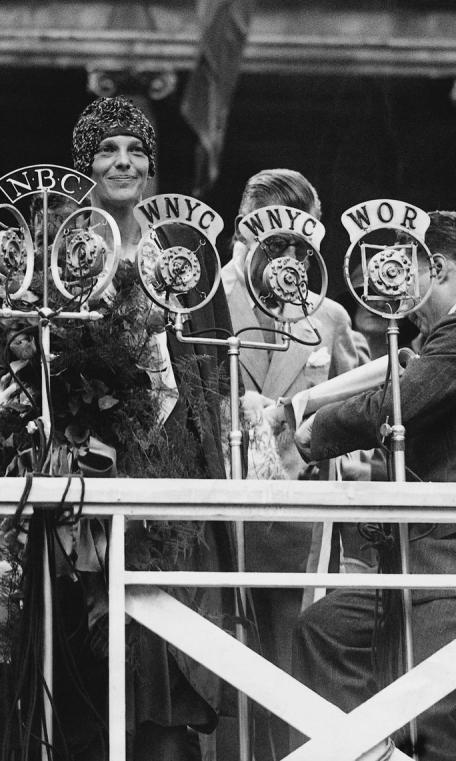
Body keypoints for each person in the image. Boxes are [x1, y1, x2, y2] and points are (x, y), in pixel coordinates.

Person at [70, 96, 235, 761]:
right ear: (86, 164)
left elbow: (214, 359)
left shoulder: (184, 250)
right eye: (108, 150)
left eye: (136, 150)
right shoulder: (68, 250)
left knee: (171, 646)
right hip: (96, 456)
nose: (124, 161)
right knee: (96, 649)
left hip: (176, 459)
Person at [291, 210, 456, 761]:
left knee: (433, 719)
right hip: (415, 558)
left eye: (408, 274)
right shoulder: (435, 340)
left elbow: (397, 404)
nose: (401, 292)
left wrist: (316, 430)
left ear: (440, 268)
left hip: (443, 564)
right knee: (326, 630)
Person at [220, 168, 365, 758]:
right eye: (271, 237)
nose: (287, 253)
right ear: (244, 231)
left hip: (300, 522)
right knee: (220, 667)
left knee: (293, 666)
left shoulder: (328, 316)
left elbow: (359, 416)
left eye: (301, 240)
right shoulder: (205, 297)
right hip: (217, 510)